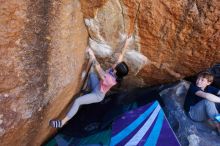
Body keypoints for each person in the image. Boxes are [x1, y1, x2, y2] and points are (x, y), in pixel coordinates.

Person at [49, 38, 130, 128]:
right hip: (97, 86)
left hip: (97, 95)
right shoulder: (117, 71)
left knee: (78, 101)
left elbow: (98, 68)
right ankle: (86, 90)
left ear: (116, 71)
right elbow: (121, 55)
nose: (115, 63)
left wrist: (92, 55)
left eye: (116, 65)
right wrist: (126, 42)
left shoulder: (110, 80)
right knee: (91, 73)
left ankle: (62, 122)